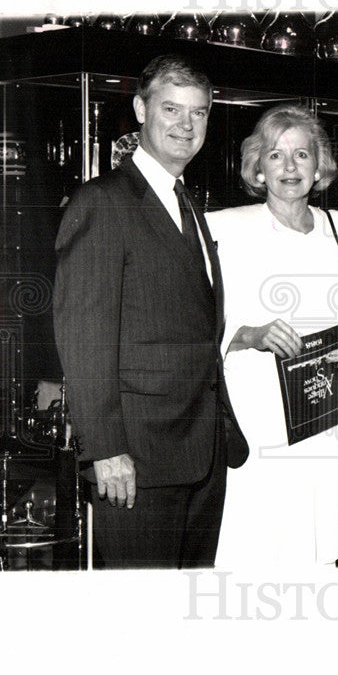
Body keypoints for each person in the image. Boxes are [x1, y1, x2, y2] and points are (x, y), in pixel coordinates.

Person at [53, 54, 247, 569]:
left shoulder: (187, 204)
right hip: (135, 462)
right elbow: (84, 338)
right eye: (171, 109)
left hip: (200, 456)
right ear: (140, 109)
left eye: (199, 113)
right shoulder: (103, 202)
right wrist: (105, 449)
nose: (186, 125)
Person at [206, 104, 338, 571]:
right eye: (275, 156)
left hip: (321, 422)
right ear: (257, 167)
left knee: (312, 552)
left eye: (302, 154)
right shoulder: (224, 228)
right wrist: (252, 334)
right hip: (253, 422)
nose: (290, 168)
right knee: (250, 550)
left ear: (319, 166)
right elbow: (198, 326)